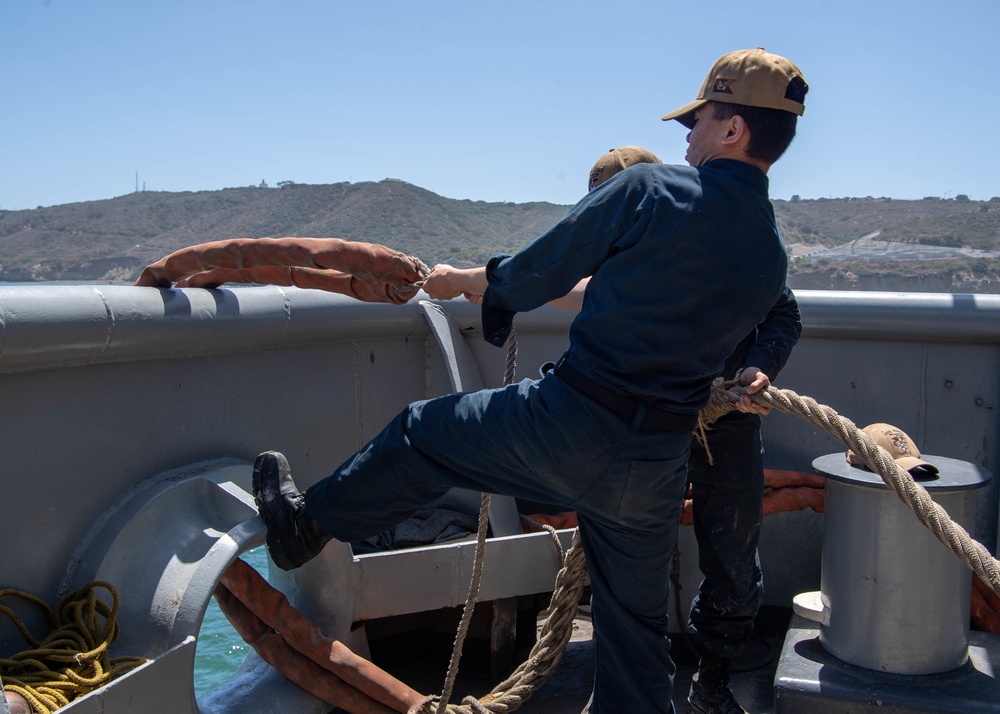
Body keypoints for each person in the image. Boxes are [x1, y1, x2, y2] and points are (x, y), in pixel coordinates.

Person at [252, 47, 809, 713]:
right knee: (636, 637)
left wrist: (465, 281)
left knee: (422, 435)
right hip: (656, 463)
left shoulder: (651, 190)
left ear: (732, 129)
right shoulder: (769, 250)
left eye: (699, 118)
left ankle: (306, 526)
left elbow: (535, 272)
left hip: (572, 422)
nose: (686, 134)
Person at [560, 146, 802, 714]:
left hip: (724, 418)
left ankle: (713, 682)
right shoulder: (607, 255)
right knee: (621, 555)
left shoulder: (716, 231)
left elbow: (782, 312)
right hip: (635, 423)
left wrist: (759, 365)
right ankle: (623, 682)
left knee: (734, 556)